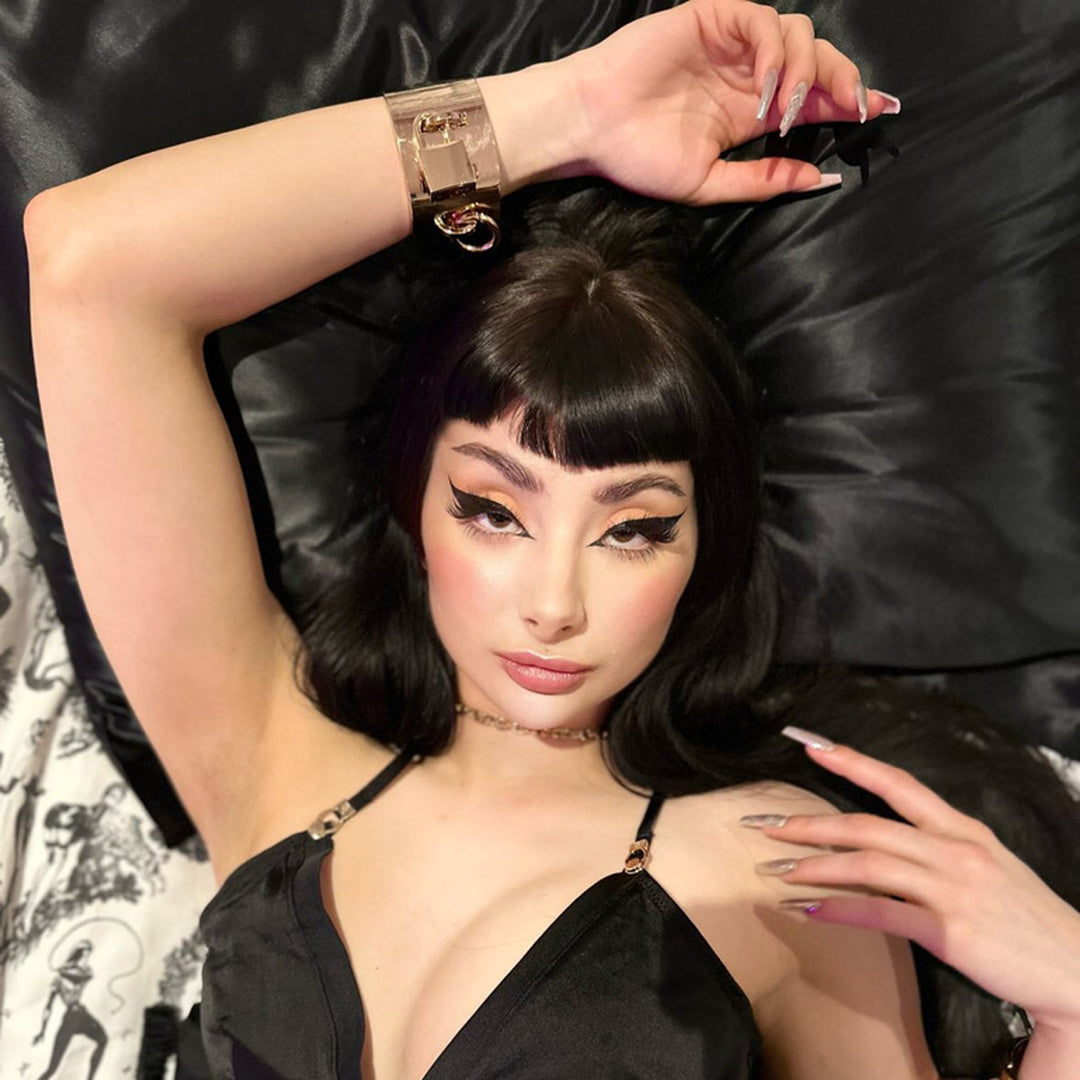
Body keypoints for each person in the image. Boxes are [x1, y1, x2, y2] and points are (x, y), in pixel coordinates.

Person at [21, 1, 1080, 1077]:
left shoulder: (774, 863)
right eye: (493, 510)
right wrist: (566, 113)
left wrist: (1073, 1005)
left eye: (633, 530)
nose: (553, 604)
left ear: (702, 554)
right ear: (414, 506)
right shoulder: (270, 758)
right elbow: (89, 266)